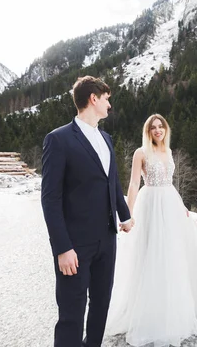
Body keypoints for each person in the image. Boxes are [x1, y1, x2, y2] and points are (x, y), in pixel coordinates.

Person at [41, 75, 134, 347]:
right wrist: (62, 248)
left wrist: (124, 215)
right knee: (72, 313)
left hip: (107, 239)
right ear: (93, 98)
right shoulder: (58, 139)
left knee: (101, 306)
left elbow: (112, 181)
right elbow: (50, 198)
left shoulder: (106, 139)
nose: (109, 104)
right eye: (107, 99)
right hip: (75, 244)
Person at [106, 114, 197, 347]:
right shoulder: (140, 153)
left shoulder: (169, 151)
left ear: (165, 129)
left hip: (170, 204)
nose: (157, 130)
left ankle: (174, 306)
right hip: (150, 204)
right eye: (153, 127)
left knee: (174, 255)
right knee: (151, 255)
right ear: (147, 131)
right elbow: (134, 184)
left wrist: (181, 206)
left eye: (160, 126)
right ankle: (151, 311)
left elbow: (170, 183)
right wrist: (128, 214)